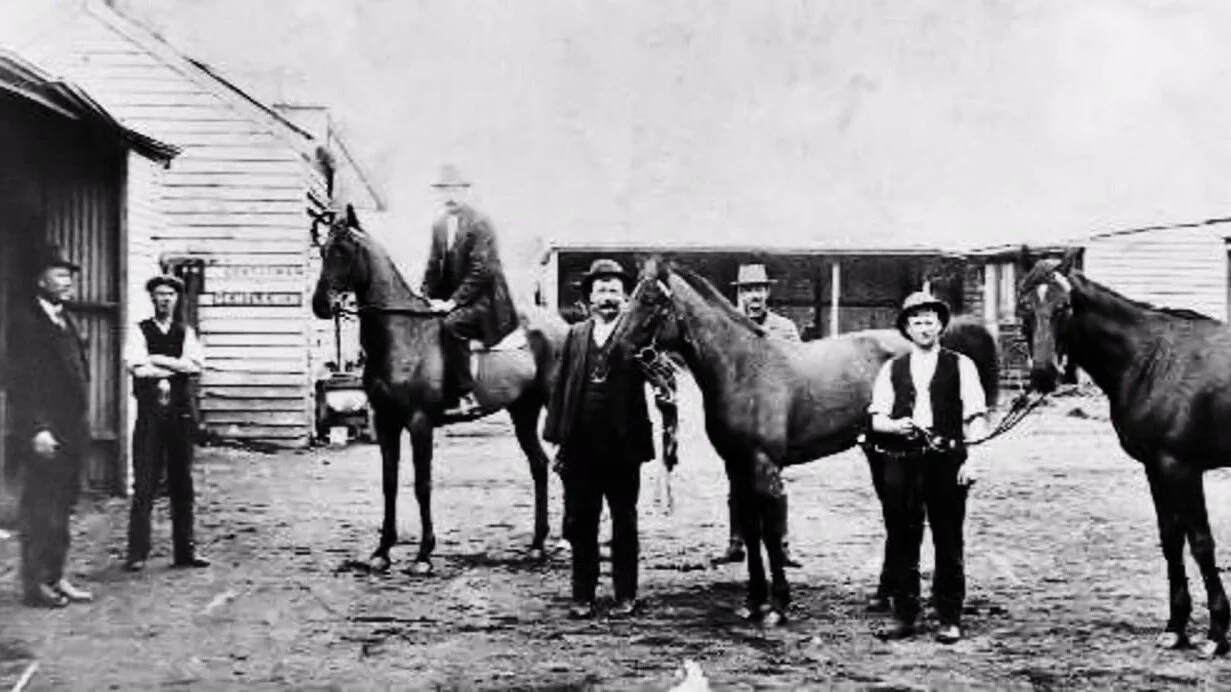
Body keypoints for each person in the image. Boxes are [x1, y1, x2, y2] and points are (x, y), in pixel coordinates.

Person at [866, 291, 989, 644]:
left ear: (940, 326)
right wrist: (895, 426)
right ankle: (905, 615)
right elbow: (876, 418)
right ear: (906, 328)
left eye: (930, 321)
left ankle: (949, 617)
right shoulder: (893, 368)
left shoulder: (961, 365)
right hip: (903, 461)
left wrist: (973, 459)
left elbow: (976, 417)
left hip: (946, 462)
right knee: (902, 537)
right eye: (916, 321)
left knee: (948, 539)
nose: (924, 327)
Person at [544, 258, 660, 619]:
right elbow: (561, 387)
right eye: (601, 290)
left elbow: (659, 373)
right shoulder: (576, 335)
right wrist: (557, 437)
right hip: (581, 446)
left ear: (624, 298)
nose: (607, 297)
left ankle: (625, 594)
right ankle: (583, 595)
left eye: (614, 290)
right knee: (582, 522)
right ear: (589, 298)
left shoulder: (636, 334)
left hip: (623, 446)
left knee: (624, 520)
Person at [8, 244, 94, 608]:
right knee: (39, 509)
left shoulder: (65, 318)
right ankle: (34, 585)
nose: (68, 281)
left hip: (71, 430)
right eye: (60, 275)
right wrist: (37, 429)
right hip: (44, 432)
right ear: (40, 280)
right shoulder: (25, 322)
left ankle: (56, 577)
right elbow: (21, 383)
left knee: (62, 508)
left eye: (69, 275)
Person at [716, 263, 802, 568]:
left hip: (772, 414)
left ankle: (782, 545)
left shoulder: (784, 328)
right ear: (739, 294)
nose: (754, 296)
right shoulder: (728, 327)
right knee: (736, 478)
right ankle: (735, 542)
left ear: (767, 292)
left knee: (772, 479)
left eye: (759, 290)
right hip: (738, 414)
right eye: (748, 290)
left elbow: (798, 369)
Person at [122, 274, 210, 572]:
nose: (165, 299)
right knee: (145, 483)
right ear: (152, 298)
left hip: (179, 416)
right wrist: (174, 366)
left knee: (182, 483)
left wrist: (158, 358)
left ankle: (185, 551)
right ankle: (137, 553)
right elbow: (136, 367)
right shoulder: (139, 330)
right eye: (160, 294)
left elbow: (195, 365)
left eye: (170, 295)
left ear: (177, 298)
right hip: (150, 416)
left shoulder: (185, 332)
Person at [421, 164, 519, 417]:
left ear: (465, 191)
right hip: (453, 299)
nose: (450, 196)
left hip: (485, 298)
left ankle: (466, 393)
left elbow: (481, 270)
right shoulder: (439, 225)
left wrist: (452, 303)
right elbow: (433, 265)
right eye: (444, 190)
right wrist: (423, 296)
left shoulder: (480, 222)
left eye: (455, 190)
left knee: (451, 326)